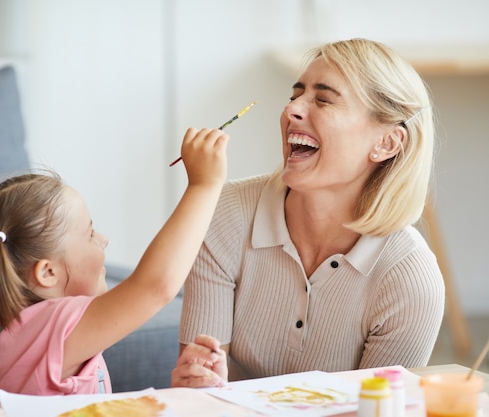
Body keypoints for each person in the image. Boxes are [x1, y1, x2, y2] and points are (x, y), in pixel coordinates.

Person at [172, 38, 445, 388]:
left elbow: (377, 410)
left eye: (323, 99)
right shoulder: (225, 213)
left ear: (386, 143)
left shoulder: (409, 279)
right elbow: (200, 390)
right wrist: (199, 385)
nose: (292, 110)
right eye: (295, 95)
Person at [0, 127, 229, 403]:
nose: (103, 240)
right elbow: (154, 287)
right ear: (47, 272)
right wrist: (204, 185)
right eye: (90, 233)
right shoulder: (51, 327)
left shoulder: (3, 320)